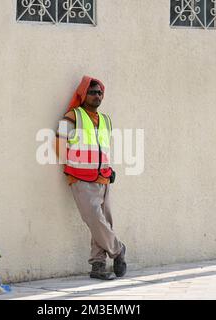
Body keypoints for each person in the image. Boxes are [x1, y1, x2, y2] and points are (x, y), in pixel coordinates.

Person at [55, 76, 127, 280]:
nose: (97, 95)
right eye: (93, 92)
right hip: (80, 177)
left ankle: (98, 265)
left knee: (104, 222)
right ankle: (118, 250)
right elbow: (59, 142)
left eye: (100, 93)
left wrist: (109, 169)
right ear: (83, 94)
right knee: (94, 219)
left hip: (103, 177)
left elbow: (103, 147)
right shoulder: (72, 116)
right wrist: (70, 166)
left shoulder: (106, 119)